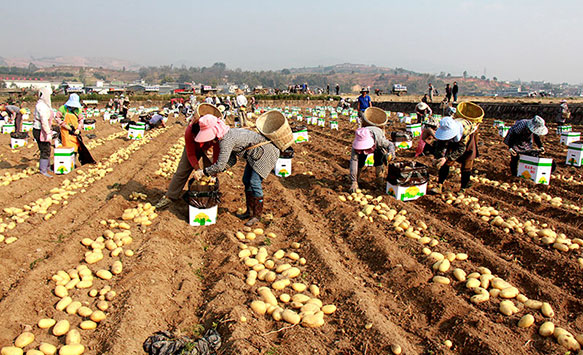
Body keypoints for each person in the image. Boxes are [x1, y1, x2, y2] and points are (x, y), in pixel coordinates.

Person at [192, 114, 280, 226]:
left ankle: (257, 216)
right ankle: (250, 211)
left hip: (266, 153)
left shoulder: (226, 140)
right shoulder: (225, 137)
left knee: (254, 182)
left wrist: (203, 172)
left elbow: (220, 165)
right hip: (255, 156)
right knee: (246, 180)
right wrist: (218, 170)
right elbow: (232, 160)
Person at [155, 105, 222, 210]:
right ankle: (170, 196)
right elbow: (190, 154)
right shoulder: (190, 130)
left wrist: (214, 173)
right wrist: (197, 169)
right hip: (194, 147)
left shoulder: (217, 132)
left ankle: (208, 198)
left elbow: (216, 155)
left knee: (210, 175)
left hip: (209, 148)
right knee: (182, 171)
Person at [431, 103, 482, 193]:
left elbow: (461, 149)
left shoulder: (464, 131)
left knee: (467, 165)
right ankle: (439, 185)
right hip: (456, 142)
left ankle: (463, 188)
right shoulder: (446, 127)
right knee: (446, 163)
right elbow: (440, 144)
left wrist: (446, 157)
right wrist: (438, 157)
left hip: (467, 144)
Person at [349, 109, 396, 192]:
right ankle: (357, 179)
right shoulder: (356, 146)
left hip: (377, 144)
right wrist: (353, 182)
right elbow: (353, 162)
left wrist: (391, 153)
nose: (363, 150)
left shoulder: (380, 141)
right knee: (360, 162)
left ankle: (379, 182)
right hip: (370, 140)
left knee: (379, 161)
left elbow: (390, 144)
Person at [32, 87, 55, 177]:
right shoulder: (41, 106)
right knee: (44, 149)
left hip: (43, 129)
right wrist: (48, 133)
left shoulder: (44, 105)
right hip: (40, 130)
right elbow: (44, 121)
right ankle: (43, 170)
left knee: (47, 148)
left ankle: (47, 167)